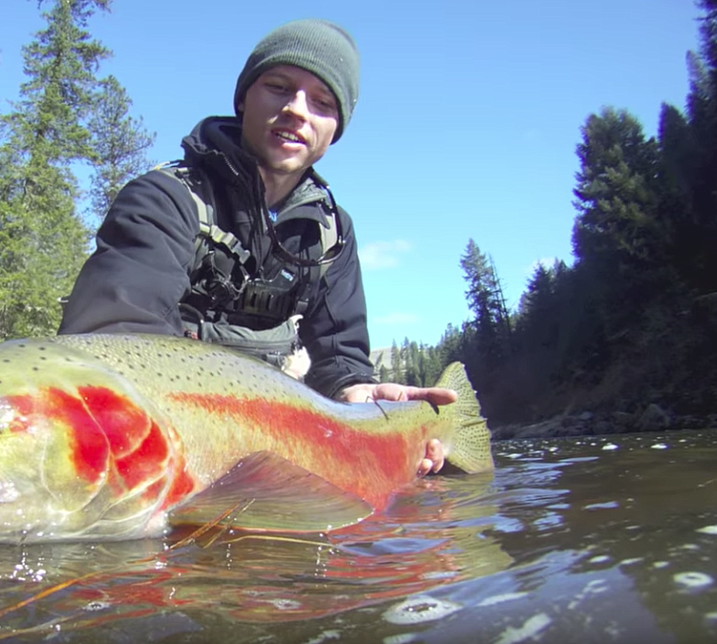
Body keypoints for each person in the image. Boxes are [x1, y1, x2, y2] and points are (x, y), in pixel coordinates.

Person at [59, 19, 451, 476]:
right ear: (244, 97)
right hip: (168, 439)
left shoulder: (332, 234)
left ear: (334, 131)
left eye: (322, 102)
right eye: (279, 87)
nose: (297, 110)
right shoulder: (164, 199)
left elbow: (341, 358)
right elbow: (114, 339)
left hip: (275, 447)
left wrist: (358, 395)